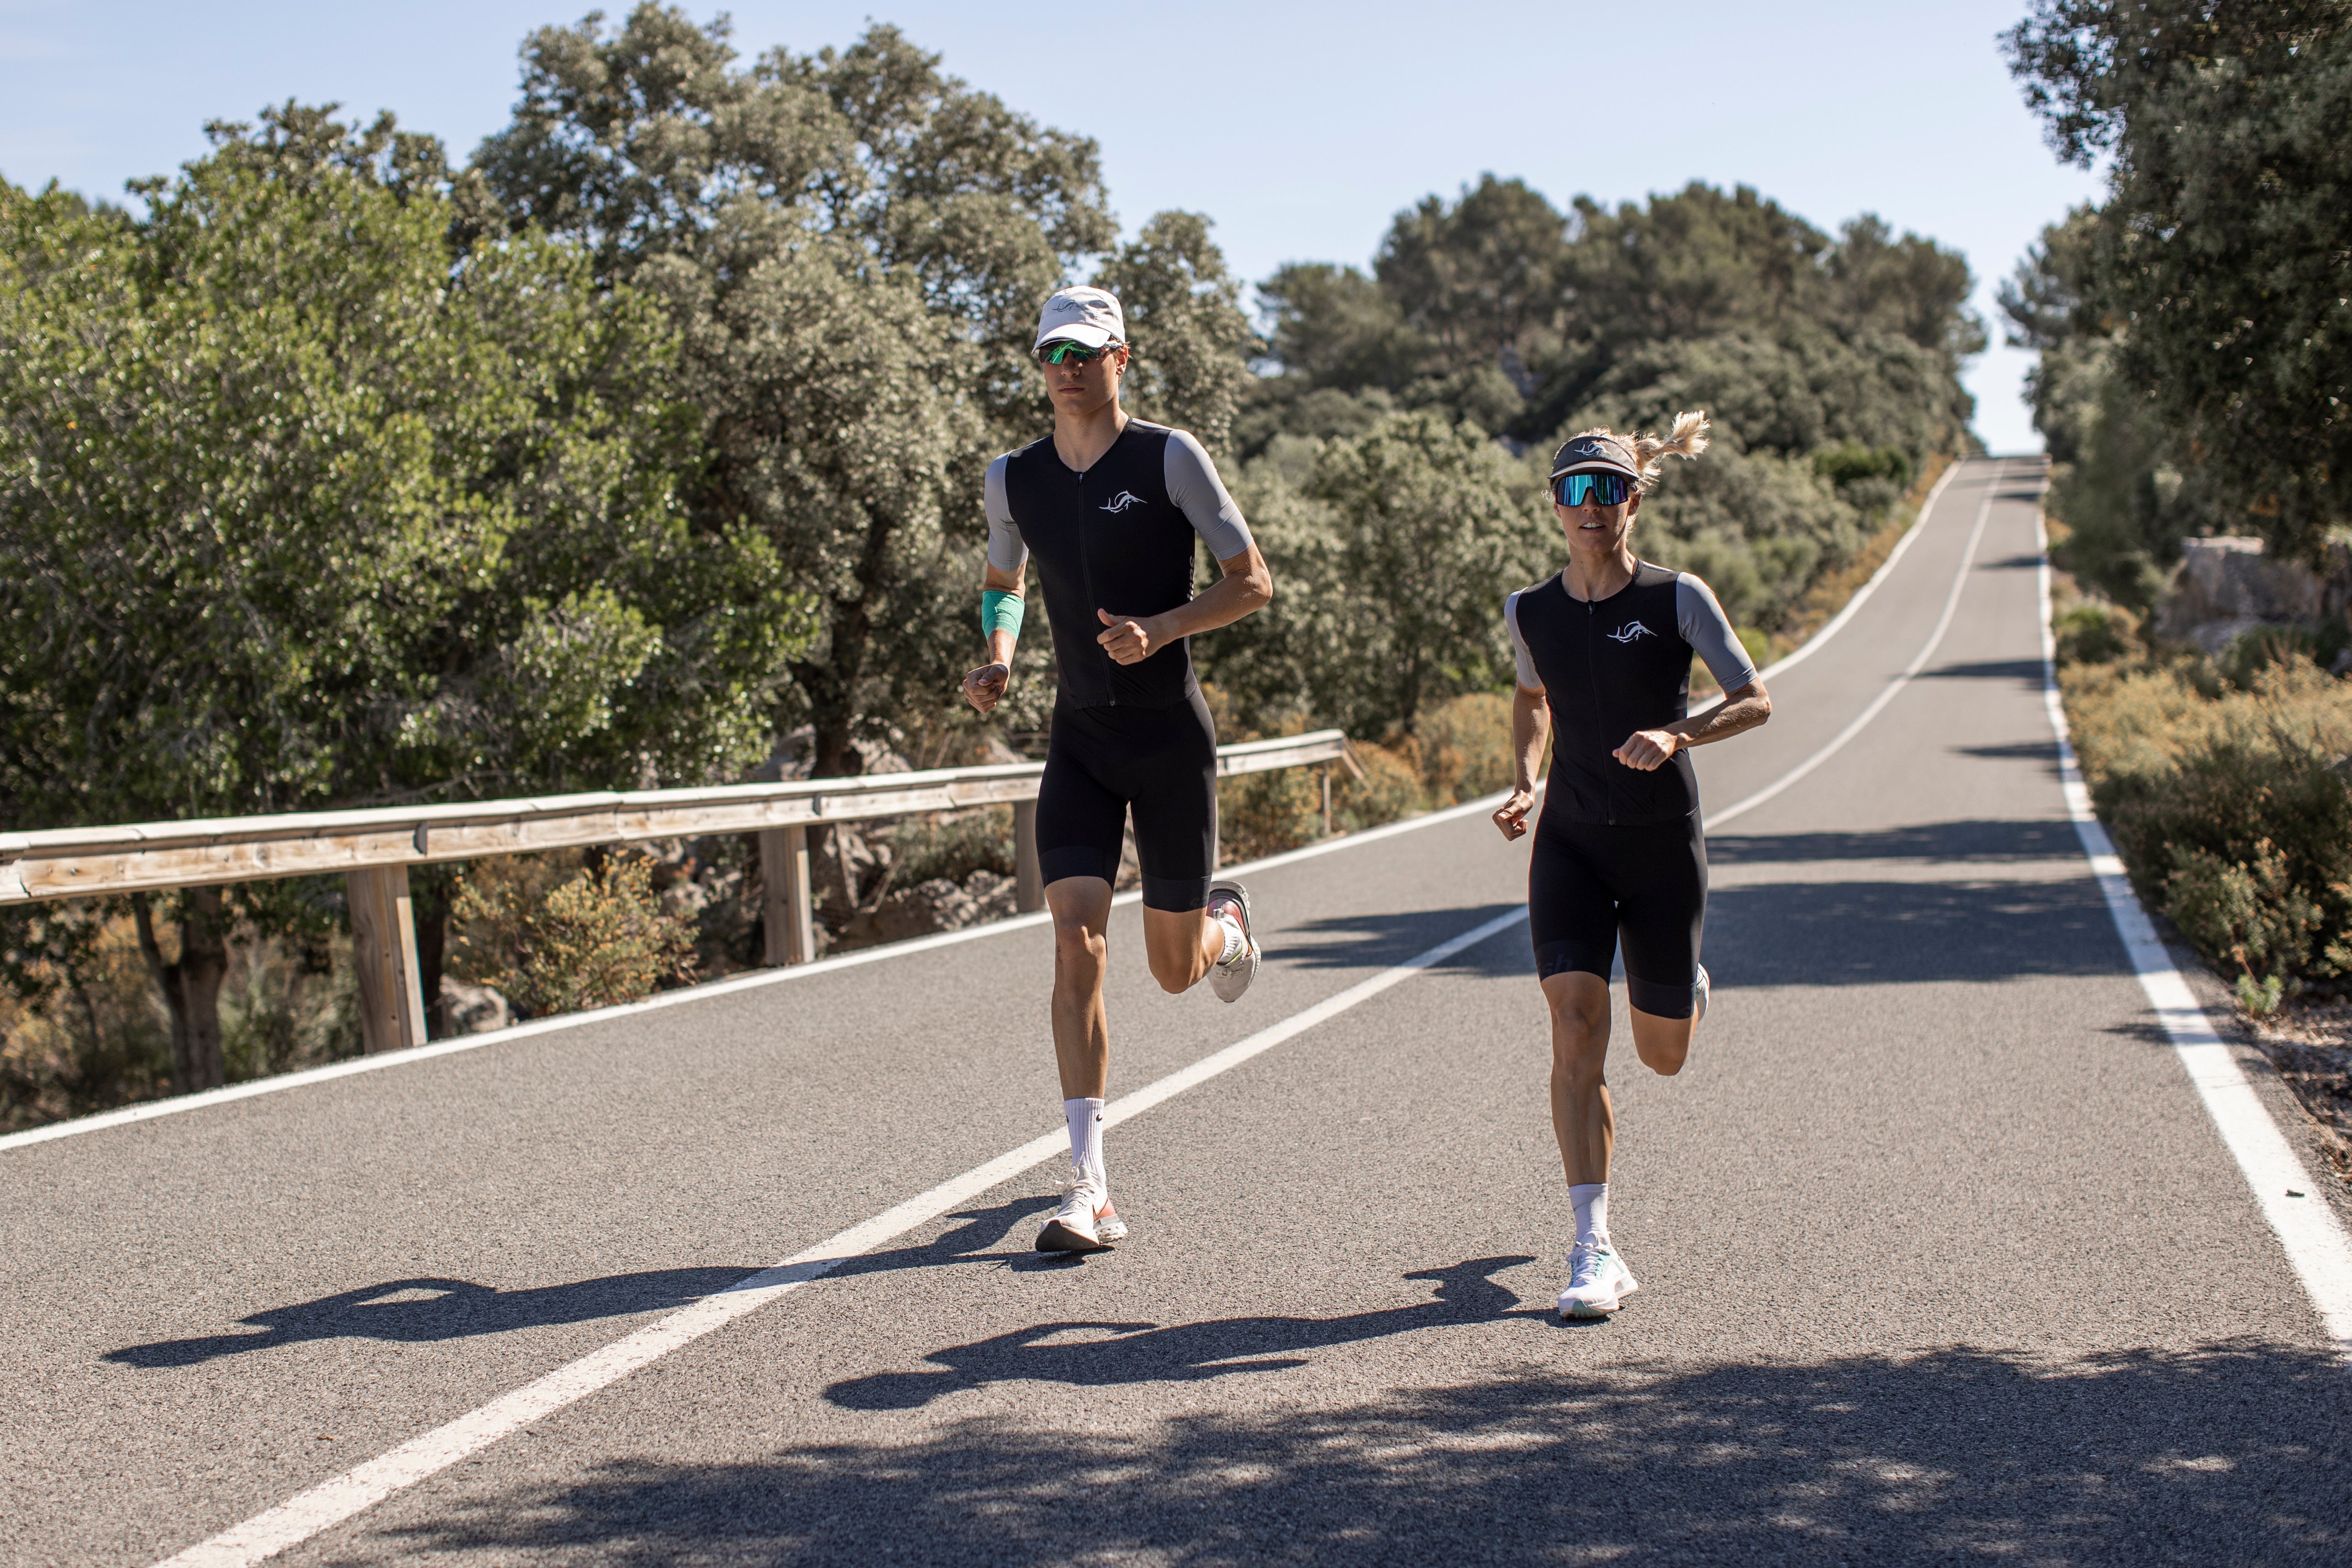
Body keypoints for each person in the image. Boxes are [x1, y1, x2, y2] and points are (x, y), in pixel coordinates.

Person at [963, 284, 1274, 1253]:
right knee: (1075, 942)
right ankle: (1087, 1183)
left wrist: (1164, 628)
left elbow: (1251, 582)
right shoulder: (1011, 478)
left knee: (1173, 971)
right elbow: (1001, 584)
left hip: (1168, 737)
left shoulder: (1168, 456)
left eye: (1085, 353)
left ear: (1120, 360)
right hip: (1080, 739)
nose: (1065, 368)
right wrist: (1001, 657)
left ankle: (1223, 928)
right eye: (1052, 352)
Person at [1491, 415, 1772, 1318]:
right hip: (1569, 842)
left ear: (1633, 501)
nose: (1588, 505)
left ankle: (1680, 985)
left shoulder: (1674, 597)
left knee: (1661, 1054)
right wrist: (1525, 778)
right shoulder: (1526, 610)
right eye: (1572, 490)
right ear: (1552, 504)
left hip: (1660, 847)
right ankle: (1592, 1246)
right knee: (1574, 1022)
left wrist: (1678, 731)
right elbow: (1531, 697)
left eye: (1605, 489)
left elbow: (1754, 698)